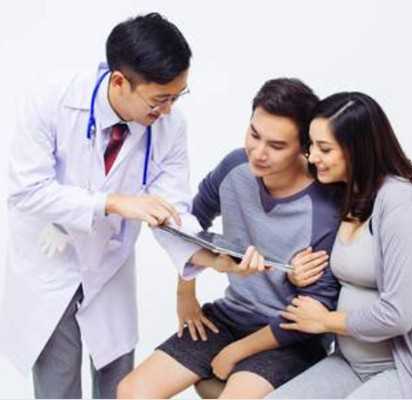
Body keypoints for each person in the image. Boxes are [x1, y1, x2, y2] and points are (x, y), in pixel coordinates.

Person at [0, 13, 259, 399]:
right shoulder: (52, 101)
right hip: (49, 260)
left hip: (109, 264)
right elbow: (27, 190)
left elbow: (171, 209)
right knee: (57, 383)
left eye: (177, 96)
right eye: (159, 99)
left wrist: (208, 257)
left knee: (118, 382)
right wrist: (114, 203)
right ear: (120, 82)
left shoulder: (171, 126)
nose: (168, 110)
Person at [117, 78, 342, 399]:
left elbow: (312, 312)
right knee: (131, 391)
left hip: (290, 336)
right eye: (254, 134)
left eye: (277, 146)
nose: (258, 153)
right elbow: (189, 225)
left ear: (304, 147)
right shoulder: (235, 167)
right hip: (230, 316)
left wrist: (236, 352)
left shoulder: (324, 208)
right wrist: (185, 295)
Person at [268, 92, 412, 398]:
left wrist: (325, 321)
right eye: (311, 145)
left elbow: (397, 314)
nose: (312, 157)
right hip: (352, 363)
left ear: (358, 150)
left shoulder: (403, 205)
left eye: (325, 148)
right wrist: (295, 273)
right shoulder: (346, 194)